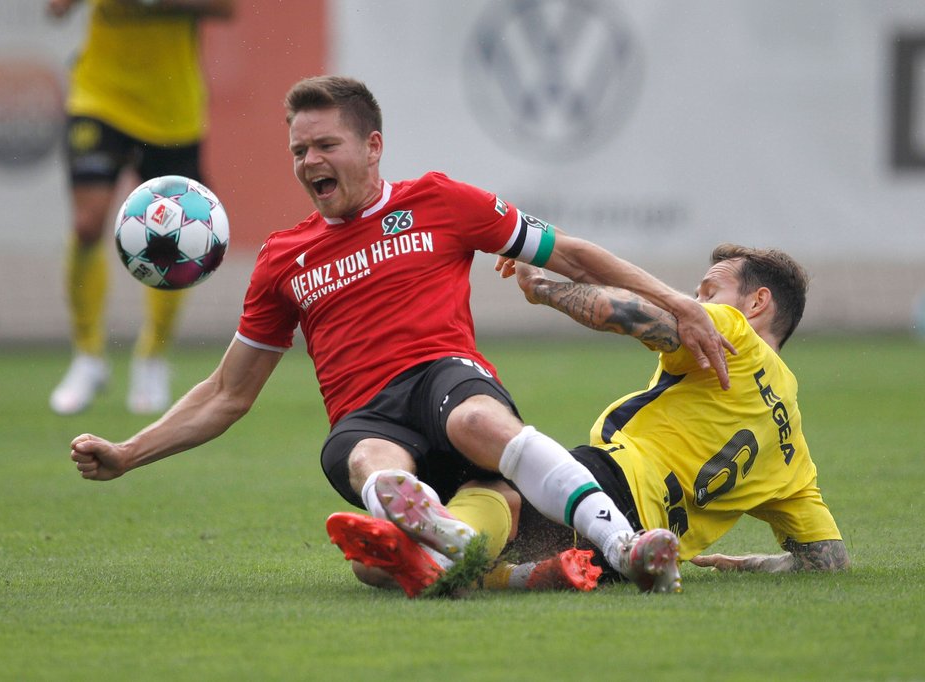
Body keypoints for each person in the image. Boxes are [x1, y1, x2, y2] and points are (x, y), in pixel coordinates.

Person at [69, 75, 735, 596]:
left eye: (325, 145)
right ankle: (438, 533)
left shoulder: (440, 201)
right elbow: (226, 394)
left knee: (478, 422)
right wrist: (129, 453)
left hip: (443, 376)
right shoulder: (282, 260)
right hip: (366, 414)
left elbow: (570, 255)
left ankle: (623, 547)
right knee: (370, 464)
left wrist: (676, 301)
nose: (309, 162)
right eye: (298, 150)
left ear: (372, 147)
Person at [492, 244, 849, 578]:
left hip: (608, 487)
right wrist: (747, 563)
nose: (695, 304)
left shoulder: (732, 330)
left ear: (757, 303)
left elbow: (624, 312)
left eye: (708, 293)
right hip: (631, 556)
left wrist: (539, 286)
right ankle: (522, 575)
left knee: (476, 487)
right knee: (492, 558)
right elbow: (830, 561)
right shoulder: (792, 452)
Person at [47, 0, 235, 415]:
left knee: (176, 237)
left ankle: (152, 357)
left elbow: (226, 7)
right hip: (100, 97)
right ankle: (88, 356)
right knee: (87, 223)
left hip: (172, 109)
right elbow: (55, 9)